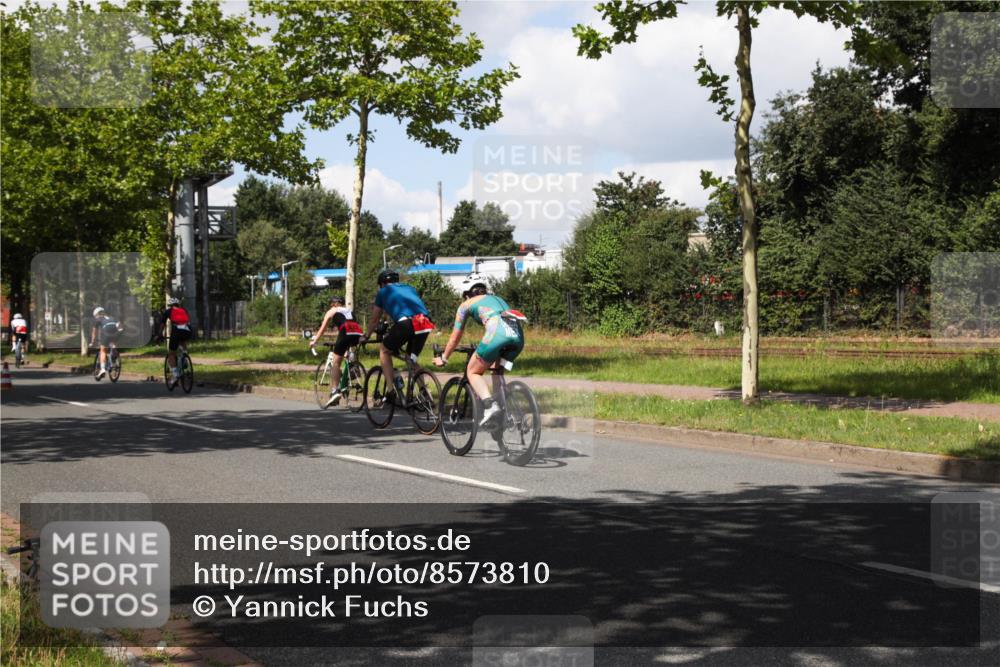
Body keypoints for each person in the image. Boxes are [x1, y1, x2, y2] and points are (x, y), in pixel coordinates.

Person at [434, 274, 526, 426]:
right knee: (496, 370)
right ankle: (502, 414)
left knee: (473, 372)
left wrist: (444, 357)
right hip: (518, 338)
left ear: (467, 294)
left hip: (496, 335)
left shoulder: (465, 305)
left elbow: (455, 337)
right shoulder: (498, 299)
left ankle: (490, 406)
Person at [362, 270, 434, 404]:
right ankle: (424, 392)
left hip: (406, 323)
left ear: (382, 283)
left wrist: (366, 335)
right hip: (425, 322)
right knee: (410, 358)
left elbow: (375, 319)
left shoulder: (383, 292)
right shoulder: (410, 288)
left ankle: (390, 391)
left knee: (384, 350)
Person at [310, 294, 364, 406]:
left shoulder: (332, 311)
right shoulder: (349, 311)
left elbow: (323, 328)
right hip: (357, 333)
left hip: (345, 332)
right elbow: (350, 325)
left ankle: (335, 391)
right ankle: (348, 380)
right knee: (345, 355)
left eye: (331, 305)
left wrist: (315, 341)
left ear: (333, 304)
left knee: (335, 363)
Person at [160, 297, 192, 386]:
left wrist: (159, 335)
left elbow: (163, 324)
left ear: (170, 305)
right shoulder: (183, 310)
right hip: (188, 331)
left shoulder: (168, 311)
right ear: (178, 305)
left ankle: (175, 374)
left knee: (171, 353)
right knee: (182, 341)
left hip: (177, 332)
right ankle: (185, 356)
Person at [89, 307, 121, 379]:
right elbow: (119, 325)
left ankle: (103, 369)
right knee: (113, 344)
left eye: (95, 316)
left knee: (103, 350)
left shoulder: (98, 319)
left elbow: (94, 333)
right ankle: (114, 357)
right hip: (116, 333)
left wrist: (92, 342)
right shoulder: (112, 317)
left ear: (97, 314)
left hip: (107, 334)